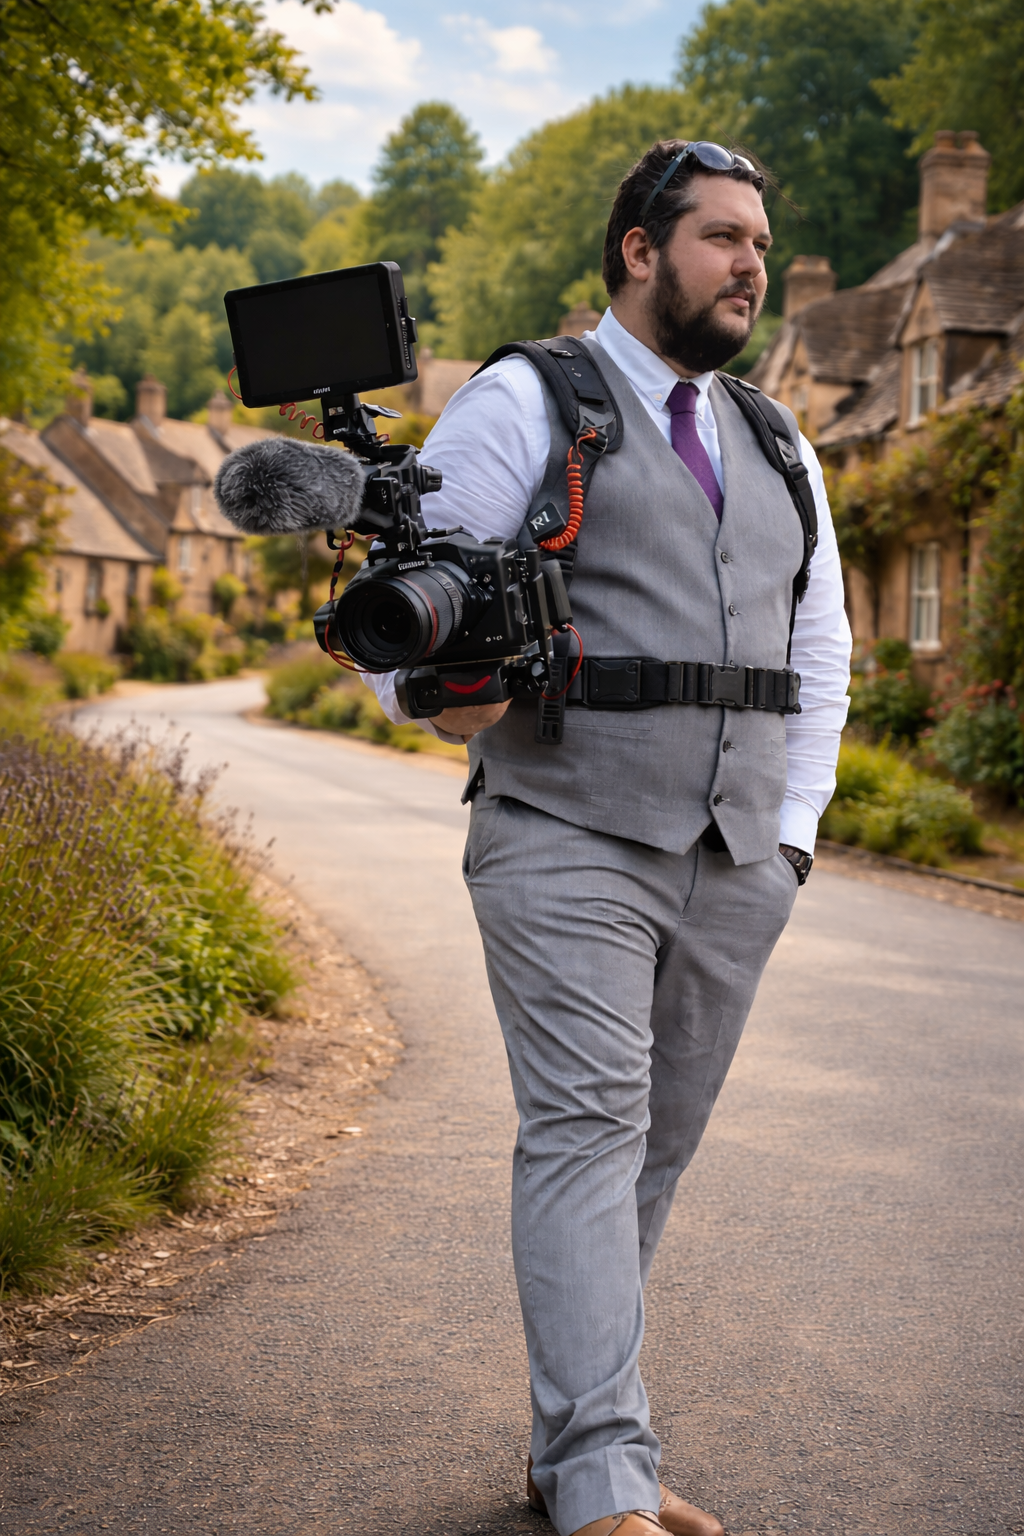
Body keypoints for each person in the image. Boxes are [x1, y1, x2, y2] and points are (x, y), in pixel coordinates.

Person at [365, 140, 851, 1536]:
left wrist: (793, 840)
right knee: (586, 1130)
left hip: (736, 857)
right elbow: (411, 622)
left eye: (760, 240)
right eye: (720, 238)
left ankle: (569, 1447)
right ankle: (604, 1481)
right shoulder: (526, 399)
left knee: (650, 1155)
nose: (750, 263)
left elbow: (820, 653)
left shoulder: (774, 437)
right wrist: (435, 686)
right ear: (639, 252)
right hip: (564, 827)